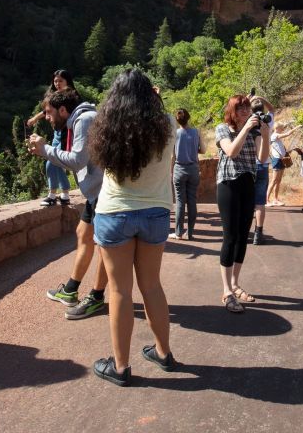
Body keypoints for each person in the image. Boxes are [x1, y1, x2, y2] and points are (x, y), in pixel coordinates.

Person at [88, 69, 177, 387]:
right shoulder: (167, 124)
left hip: (115, 213)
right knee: (152, 285)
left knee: (120, 291)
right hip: (155, 212)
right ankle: (164, 354)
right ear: (151, 95)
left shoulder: (108, 124)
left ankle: (121, 367)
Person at [28, 88, 108, 320]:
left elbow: (77, 160)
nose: (48, 118)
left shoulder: (84, 120)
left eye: (49, 113)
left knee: (104, 246)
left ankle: (96, 296)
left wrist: (46, 150)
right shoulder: (81, 119)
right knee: (83, 233)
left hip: (103, 192)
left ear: (63, 110)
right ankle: (71, 289)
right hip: (97, 191)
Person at [215, 94, 270, 313]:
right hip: (228, 184)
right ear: (232, 112)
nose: (245, 111)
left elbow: (263, 158)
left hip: (248, 183)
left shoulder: (254, 130)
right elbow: (231, 151)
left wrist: (265, 135)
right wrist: (246, 129)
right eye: (240, 109)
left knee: (242, 238)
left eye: (247, 108)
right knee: (230, 237)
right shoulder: (222, 129)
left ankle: (236, 284)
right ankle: (226, 290)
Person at [26, 70, 77, 207]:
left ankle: (53, 195)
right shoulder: (54, 95)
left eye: (60, 81)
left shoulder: (72, 96)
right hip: (57, 133)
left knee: (52, 162)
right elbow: (46, 110)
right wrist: (35, 118)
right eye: (55, 81)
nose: (57, 83)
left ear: (67, 81)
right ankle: (64, 194)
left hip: (66, 134)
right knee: (54, 162)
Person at [172, 108, 203, 240]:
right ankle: (190, 233)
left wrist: (170, 170)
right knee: (192, 201)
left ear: (177, 120)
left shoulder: (175, 133)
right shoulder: (196, 132)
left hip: (179, 169)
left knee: (180, 202)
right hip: (194, 169)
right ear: (188, 118)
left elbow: (172, 156)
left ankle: (178, 233)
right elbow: (203, 149)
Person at [250, 95, 274, 245]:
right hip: (263, 166)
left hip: (248, 165)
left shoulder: (247, 121)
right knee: (260, 201)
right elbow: (272, 109)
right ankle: (258, 233)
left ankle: (245, 231)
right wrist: (261, 98)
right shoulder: (267, 121)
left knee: (246, 201)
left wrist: (248, 99)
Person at [266, 121, 300, 207]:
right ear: (277, 128)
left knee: (278, 181)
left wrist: (290, 122)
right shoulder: (275, 135)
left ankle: (275, 199)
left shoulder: (277, 135)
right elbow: (288, 134)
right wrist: (297, 127)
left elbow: (284, 126)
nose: (283, 130)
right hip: (277, 159)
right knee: (274, 180)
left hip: (281, 159)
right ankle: (266, 200)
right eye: (281, 128)